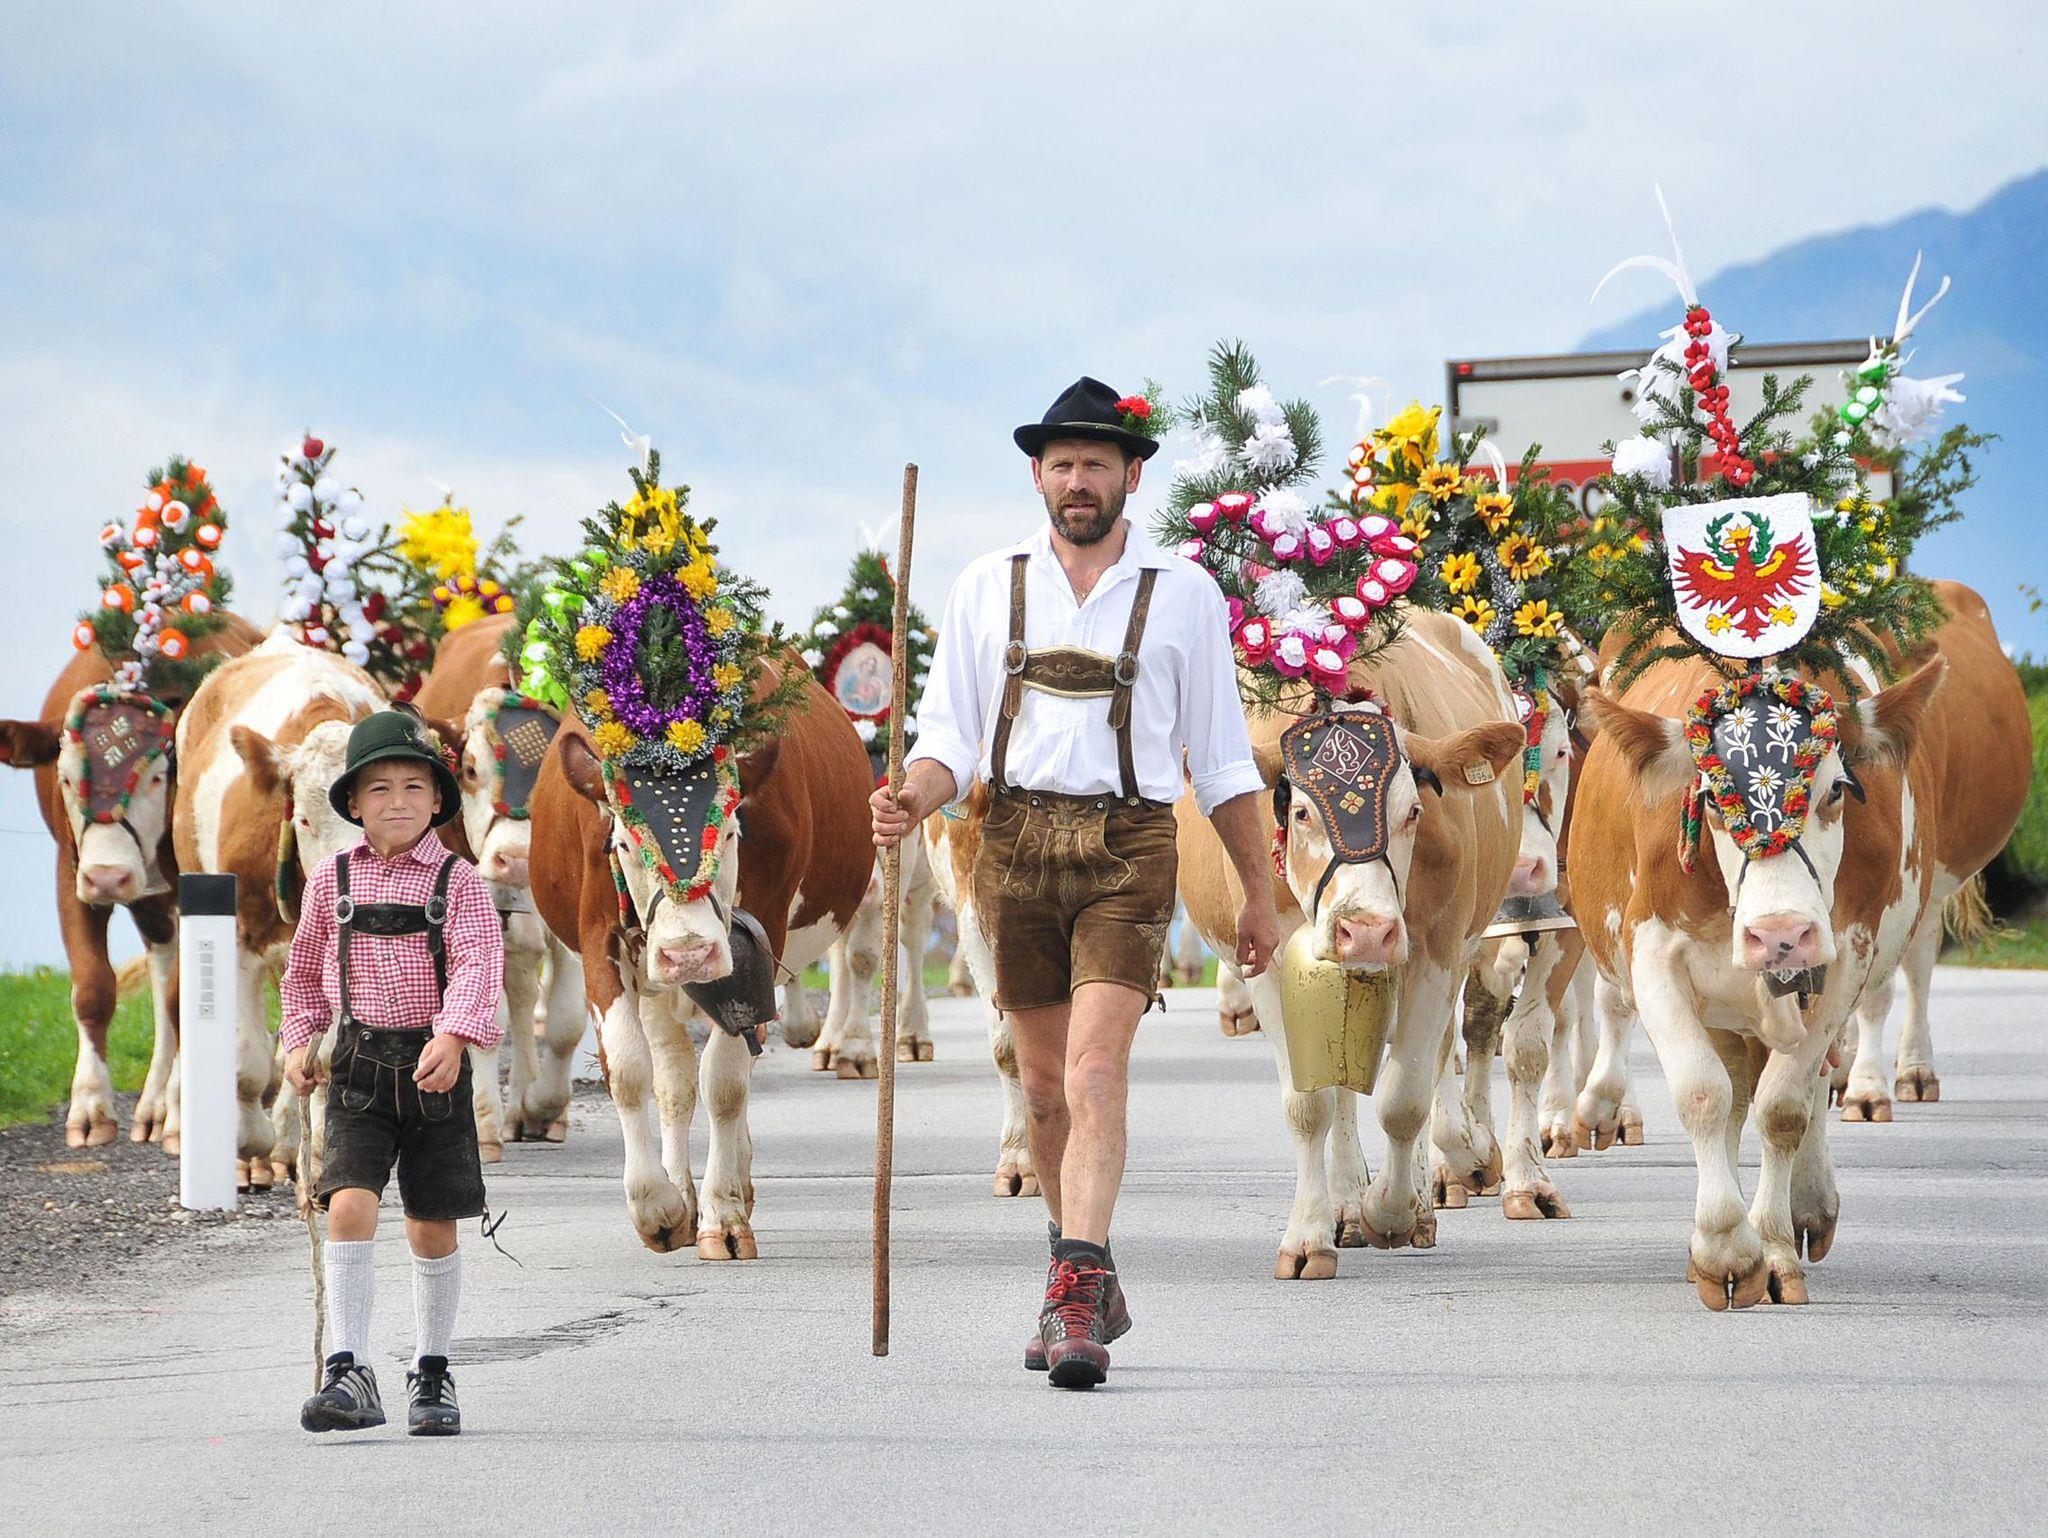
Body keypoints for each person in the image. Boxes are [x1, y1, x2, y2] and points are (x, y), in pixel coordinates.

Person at [871, 376, 1281, 1389]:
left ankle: (1071, 1289)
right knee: (1044, 1088)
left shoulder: (1183, 592)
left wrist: (1259, 891)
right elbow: (947, 740)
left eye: (1097, 463)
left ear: (1131, 475)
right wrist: (911, 799)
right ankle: (1082, 1272)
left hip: (1128, 847)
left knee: (1096, 1071)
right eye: (1061, 464)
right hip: (1010, 843)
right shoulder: (986, 586)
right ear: (1037, 476)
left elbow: (1222, 762)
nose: (1078, 480)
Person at [281, 710, 506, 1435]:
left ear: (439, 799)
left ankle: (431, 1373)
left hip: (434, 1068)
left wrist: (455, 1033)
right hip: (357, 1069)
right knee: (348, 1204)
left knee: (431, 1223)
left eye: (414, 787)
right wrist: (298, 1042)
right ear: (352, 803)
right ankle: (348, 1369)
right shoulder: (331, 879)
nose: (398, 802)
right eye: (379, 789)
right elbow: (303, 974)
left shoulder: (460, 882)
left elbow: (478, 963)